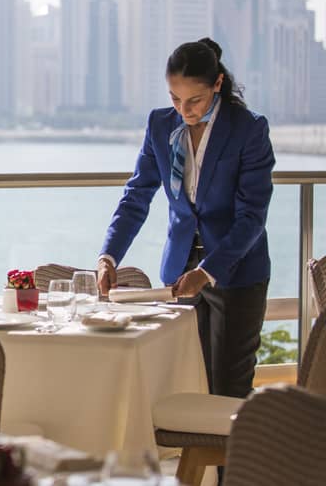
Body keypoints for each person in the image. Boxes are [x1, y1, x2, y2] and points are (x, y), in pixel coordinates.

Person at [97, 37, 275, 399]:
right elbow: (136, 197)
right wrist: (108, 256)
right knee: (185, 386)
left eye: (194, 100)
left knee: (228, 389)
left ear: (218, 84)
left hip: (236, 272)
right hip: (179, 271)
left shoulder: (248, 129)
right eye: (175, 99)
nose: (184, 110)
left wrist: (207, 272)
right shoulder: (160, 126)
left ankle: (235, 442)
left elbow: (252, 217)